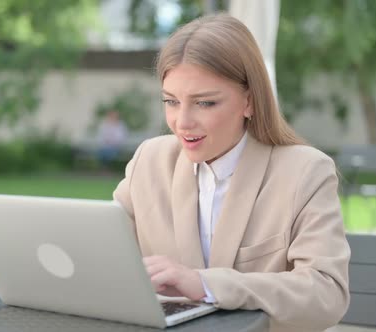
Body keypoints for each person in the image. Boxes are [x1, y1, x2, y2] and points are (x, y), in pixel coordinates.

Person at [113, 14, 350, 332]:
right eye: (171, 101)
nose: (182, 122)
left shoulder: (305, 172)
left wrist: (205, 284)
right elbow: (105, 257)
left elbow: (326, 295)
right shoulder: (149, 161)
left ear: (249, 102)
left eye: (205, 103)